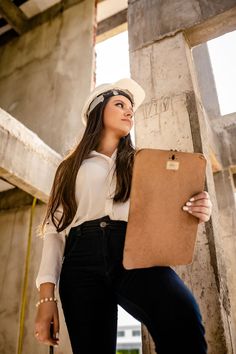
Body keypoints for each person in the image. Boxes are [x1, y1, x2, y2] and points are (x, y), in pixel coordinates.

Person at [34, 78, 212, 354]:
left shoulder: (143, 161)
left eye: (131, 108)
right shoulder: (69, 167)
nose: (129, 112)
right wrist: (46, 298)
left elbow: (169, 208)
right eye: (120, 105)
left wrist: (198, 208)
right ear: (98, 111)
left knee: (183, 315)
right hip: (80, 260)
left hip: (133, 253)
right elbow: (54, 232)